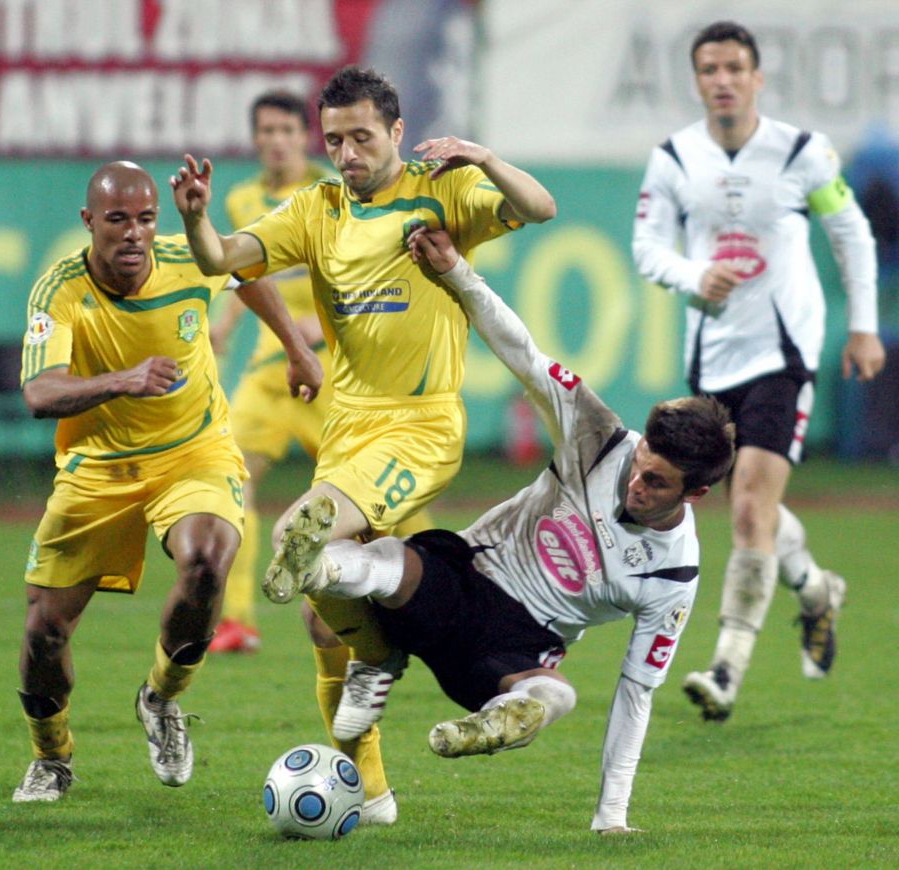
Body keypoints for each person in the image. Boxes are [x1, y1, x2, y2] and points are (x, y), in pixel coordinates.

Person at [171, 65, 556, 822]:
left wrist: (481, 157)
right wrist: (194, 216)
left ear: (398, 133)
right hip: (347, 429)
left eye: (362, 137)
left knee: (295, 537)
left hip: (419, 425)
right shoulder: (316, 208)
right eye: (336, 138)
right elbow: (223, 259)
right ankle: (372, 794)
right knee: (322, 615)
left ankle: (382, 656)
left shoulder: (441, 190)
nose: (347, 152)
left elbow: (539, 207)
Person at [263, 227, 736, 833]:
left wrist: (611, 815)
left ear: (694, 494)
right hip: (467, 575)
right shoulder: (603, 438)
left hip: (511, 650)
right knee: (386, 558)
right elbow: (524, 353)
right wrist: (459, 273)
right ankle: (318, 565)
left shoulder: (674, 575)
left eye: (656, 483)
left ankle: (488, 725)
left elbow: (636, 692)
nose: (635, 483)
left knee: (558, 696)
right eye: (640, 466)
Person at [12, 161, 321, 802]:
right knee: (44, 632)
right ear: (89, 221)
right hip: (99, 469)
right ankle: (52, 756)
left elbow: (246, 274)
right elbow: (41, 392)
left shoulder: (186, 257)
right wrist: (123, 379)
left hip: (194, 453)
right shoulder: (59, 290)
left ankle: (161, 698)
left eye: (146, 219)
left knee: (208, 559)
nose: (133, 234)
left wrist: (295, 346)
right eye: (118, 220)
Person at [632, 21, 886, 722]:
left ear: (757, 77)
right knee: (752, 505)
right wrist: (691, 273)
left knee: (748, 508)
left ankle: (726, 669)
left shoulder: (801, 152)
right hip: (712, 356)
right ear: (697, 78)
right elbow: (647, 245)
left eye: (735, 68)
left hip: (784, 353)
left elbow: (850, 232)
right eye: (710, 68)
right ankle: (814, 591)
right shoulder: (675, 159)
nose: (723, 79)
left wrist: (862, 324)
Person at [209, 90, 436, 655]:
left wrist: (317, 327)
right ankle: (236, 618)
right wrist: (226, 324)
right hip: (270, 371)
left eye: (286, 130)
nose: (276, 140)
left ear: (301, 137)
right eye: (266, 131)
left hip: (334, 373)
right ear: (257, 138)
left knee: (391, 504)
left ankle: (452, 593)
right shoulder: (242, 199)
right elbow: (250, 271)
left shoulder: (331, 195)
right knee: (231, 479)